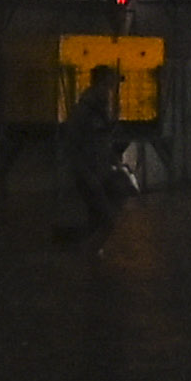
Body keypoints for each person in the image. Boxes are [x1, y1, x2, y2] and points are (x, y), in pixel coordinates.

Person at [58, 62, 131, 245]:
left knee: (97, 218)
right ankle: (88, 252)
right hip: (89, 172)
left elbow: (101, 141)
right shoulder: (87, 110)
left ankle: (86, 255)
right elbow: (76, 144)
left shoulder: (97, 108)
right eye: (108, 85)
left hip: (97, 171)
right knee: (107, 219)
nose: (110, 90)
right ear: (100, 84)